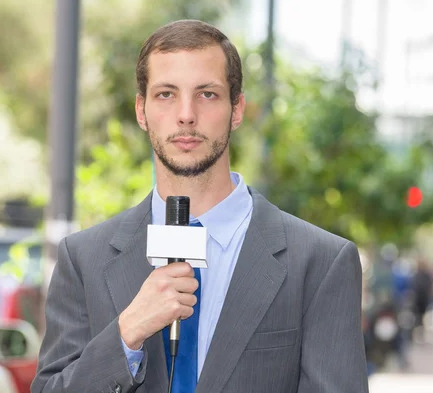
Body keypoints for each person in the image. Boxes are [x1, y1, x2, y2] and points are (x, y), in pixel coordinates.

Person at [31, 20, 368, 393]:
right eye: (166, 95)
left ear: (236, 109)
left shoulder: (320, 262)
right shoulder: (83, 259)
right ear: (141, 111)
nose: (186, 114)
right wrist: (126, 335)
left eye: (207, 94)